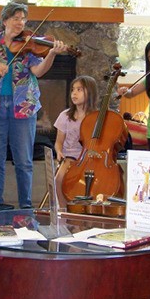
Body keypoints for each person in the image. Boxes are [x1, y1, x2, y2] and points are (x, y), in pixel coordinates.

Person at [0, 2, 68, 209]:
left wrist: (51, 54)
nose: (20, 23)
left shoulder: (29, 44)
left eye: (23, 19)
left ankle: (26, 207)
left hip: (23, 107)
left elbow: (38, 71)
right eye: (16, 18)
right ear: (5, 20)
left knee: (24, 161)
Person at [53, 75, 99, 207]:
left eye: (79, 89)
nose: (74, 93)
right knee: (59, 178)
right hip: (70, 156)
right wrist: (59, 151)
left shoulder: (95, 117)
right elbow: (59, 142)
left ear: (90, 92)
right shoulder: (65, 115)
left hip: (89, 157)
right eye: (73, 89)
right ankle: (63, 208)